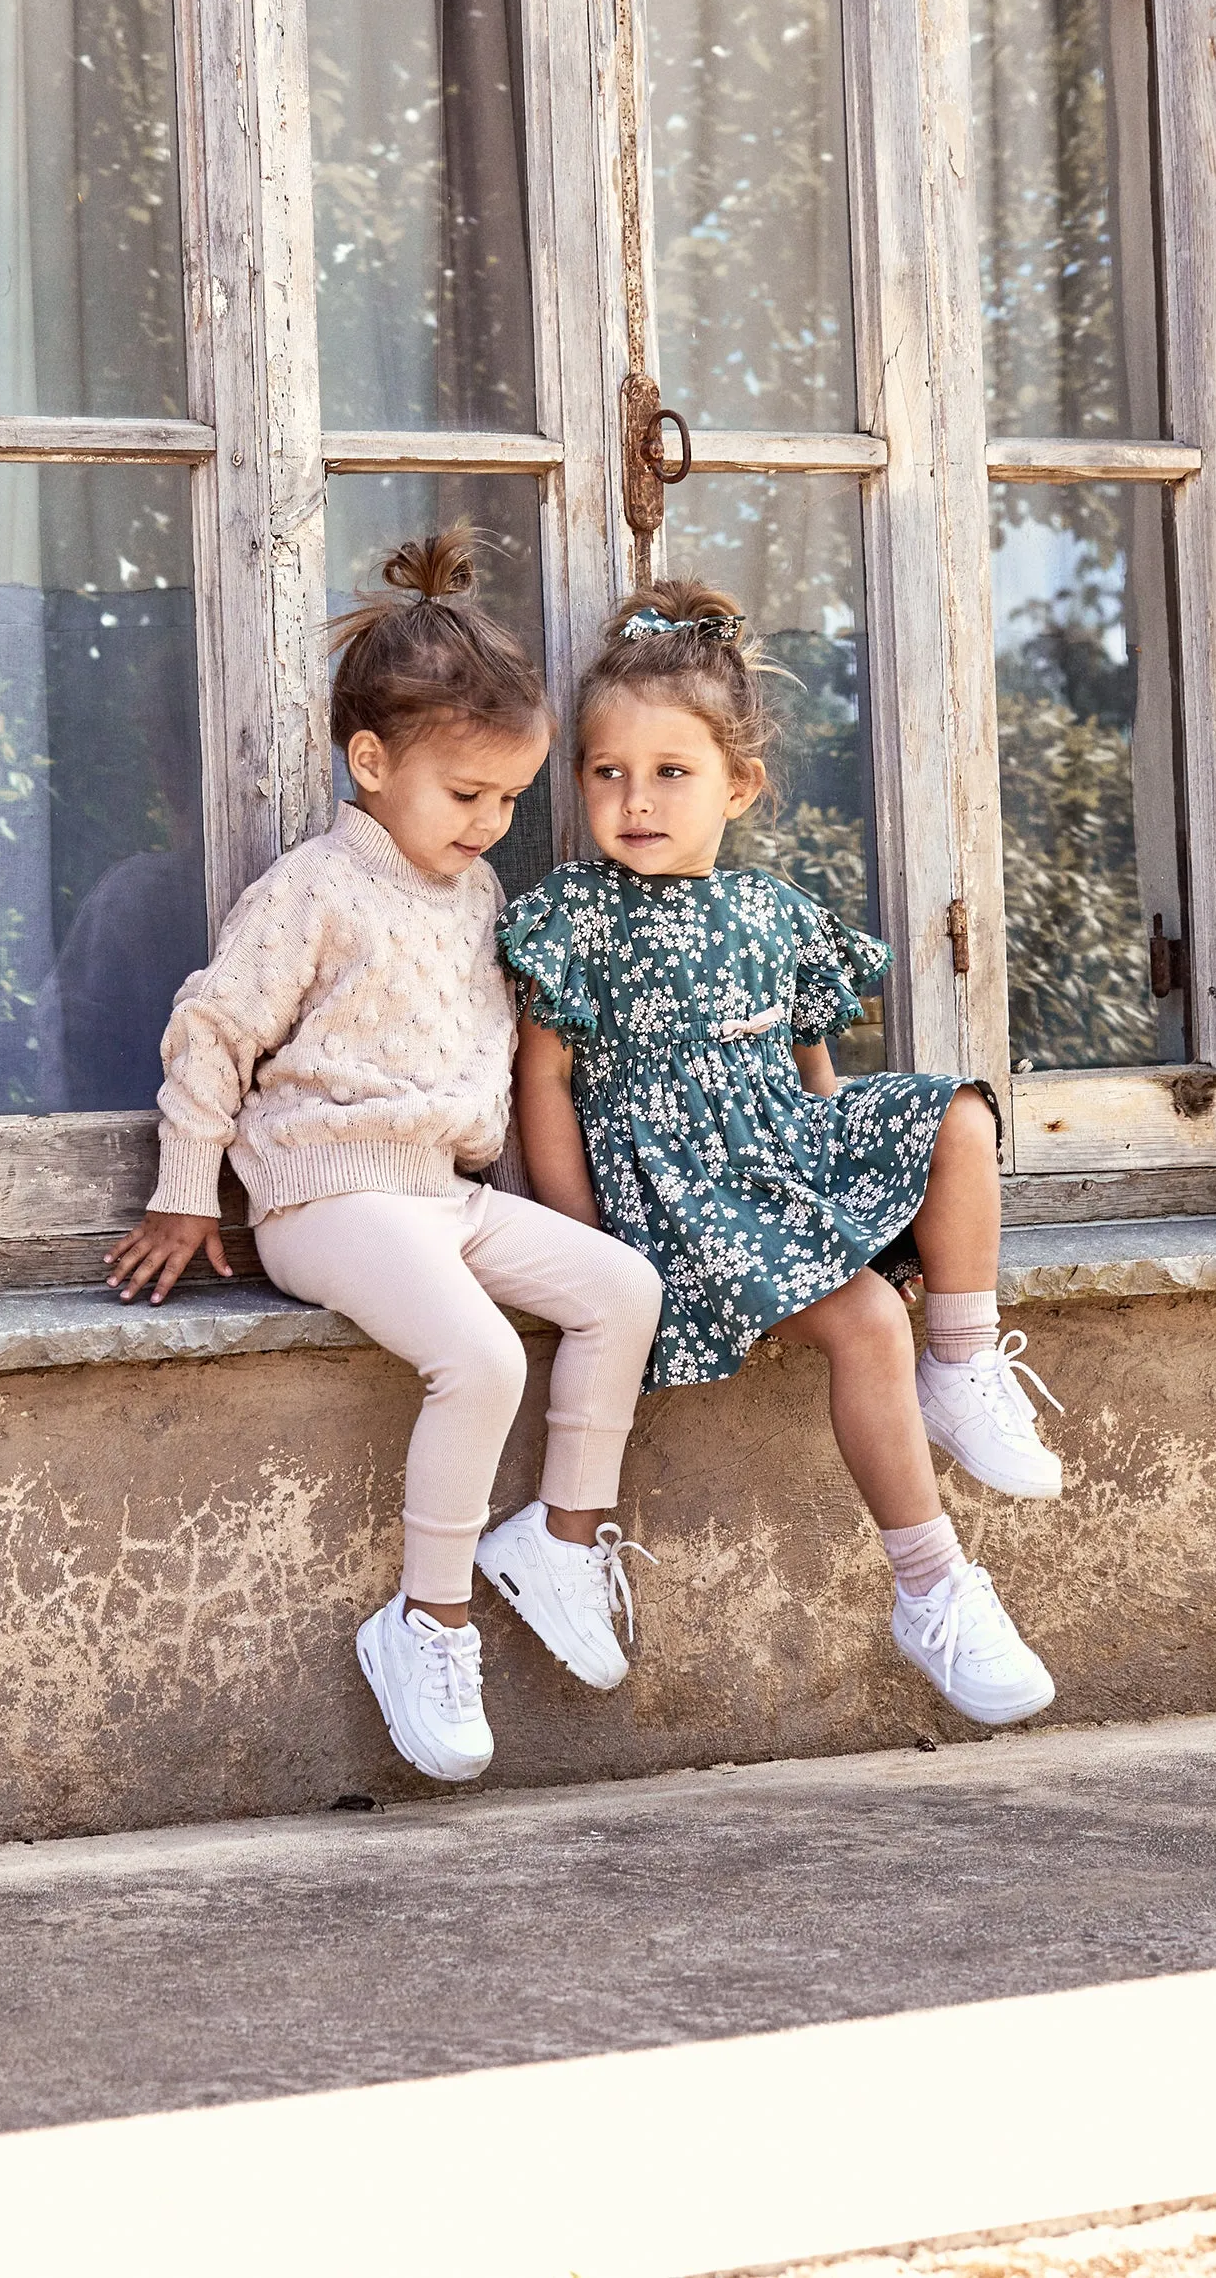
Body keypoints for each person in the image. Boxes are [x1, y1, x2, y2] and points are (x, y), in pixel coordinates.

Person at [107, 533, 664, 1784]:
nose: (492, 822)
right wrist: (186, 1191)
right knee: (471, 1357)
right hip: (328, 1195)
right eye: (466, 794)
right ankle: (427, 1618)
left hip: (441, 1195)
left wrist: (517, 1206)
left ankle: (559, 1539)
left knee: (622, 1288)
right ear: (372, 761)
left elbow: (481, 1073)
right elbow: (214, 1026)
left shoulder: (474, 901)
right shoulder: (313, 889)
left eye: (511, 798)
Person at [499, 579, 1063, 1730]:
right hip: (678, 1198)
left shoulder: (773, 910)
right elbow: (542, 1083)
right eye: (606, 773)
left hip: (776, 1156)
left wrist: (839, 1173)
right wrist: (582, 1240)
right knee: (862, 1321)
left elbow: (812, 1068)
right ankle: (932, 1587)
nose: (634, 799)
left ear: (737, 784)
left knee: (955, 1110)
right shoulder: (572, 914)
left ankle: (957, 1364)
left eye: (669, 772)